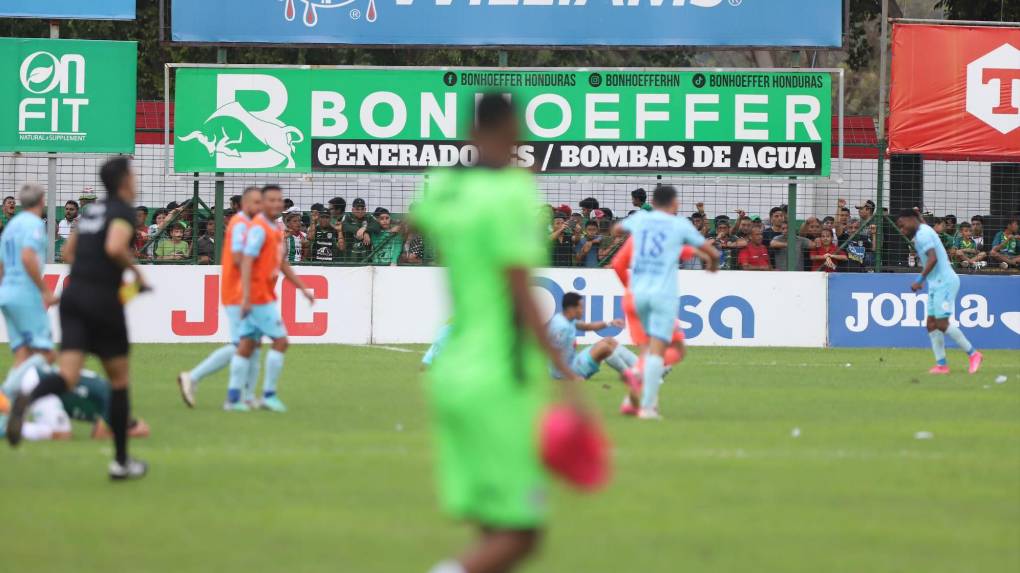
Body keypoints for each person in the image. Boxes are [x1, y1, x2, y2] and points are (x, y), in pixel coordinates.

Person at [417, 93, 585, 573]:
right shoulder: (513, 193)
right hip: (499, 377)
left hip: (451, 375)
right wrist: (566, 372)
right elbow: (518, 289)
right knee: (523, 534)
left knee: (491, 525)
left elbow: (418, 216)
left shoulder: (444, 187)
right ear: (512, 130)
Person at [7, 157, 150, 480]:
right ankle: (121, 462)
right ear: (124, 180)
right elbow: (115, 247)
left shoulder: (90, 213)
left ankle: (28, 399)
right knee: (119, 382)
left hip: (73, 298)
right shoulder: (121, 211)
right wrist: (136, 275)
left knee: (67, 375)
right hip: (103, 300)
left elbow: (69, 253)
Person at [621, 185, 719, 419]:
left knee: (652, 350)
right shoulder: (678, 227)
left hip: (636, 296)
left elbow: (617, 241)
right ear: (674, 204)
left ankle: (636, 391)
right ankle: (647, 405)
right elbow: (706, 252)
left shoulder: (641, 224)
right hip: (662, 296)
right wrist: (711, 263)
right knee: (662, 351)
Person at [226, 185, 314, 413]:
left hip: (262, 294)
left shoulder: (274, 229)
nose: (276, 204)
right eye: (271, 200)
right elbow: (246, 260)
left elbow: (282, 263)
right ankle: (268, 396)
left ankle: (234, 398)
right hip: (257, 297)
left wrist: (303, 288)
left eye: (279, 200)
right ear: (263, 204)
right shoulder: (258, 229)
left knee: (247, 345)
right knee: (280, 341)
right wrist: (245, 296)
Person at [178, 187, 263, 409]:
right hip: (237, 293)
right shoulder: (241, 225)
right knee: (242, 344)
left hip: (245, 291)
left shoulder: (249, 226)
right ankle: (198, 379)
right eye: (253, 202)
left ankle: (246, 395)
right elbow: (238, 259)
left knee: (252, 344)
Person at [896, 210, 983, 375]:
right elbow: (919, 222)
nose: (902, 230)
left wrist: (919, 281)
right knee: (931, 323)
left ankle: (974, 354)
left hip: (945, 282)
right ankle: (942, 365)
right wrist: (918, 215)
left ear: (911, 220)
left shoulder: (922, 234)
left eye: (902, 225)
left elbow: (933, 258)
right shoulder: (922, 229)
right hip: (936, 283)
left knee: (942, 323)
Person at [0, 183, 59, 401]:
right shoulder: (34, 224)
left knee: (23, 354)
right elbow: (27, 256)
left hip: (6, 293)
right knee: (47, 354)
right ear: (43, 200)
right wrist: (45, 291)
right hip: (25, 294)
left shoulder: (12, 226)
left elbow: (1, 265)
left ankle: (7, 414)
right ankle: (5, 394)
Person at [1, 363, 150, 442]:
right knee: (62, 434)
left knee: (9, 407)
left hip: (39, 378)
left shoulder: (109, 393)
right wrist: (132, 434)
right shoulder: (111, 399)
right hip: (42, 384)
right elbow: (99, 434)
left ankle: (10, 421)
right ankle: (5, 427)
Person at [547, 292, 636, 384]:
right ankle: (630, 376)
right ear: (571, 309)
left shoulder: (566, 319)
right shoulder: (561, 327)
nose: (583, 310)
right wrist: (573, 377)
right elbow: (555, 355)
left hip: (573, 362)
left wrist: (610, 323)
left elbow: (587, 326)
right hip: (564, 373)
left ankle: (640, 367)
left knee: (609, 341)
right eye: (580, 307)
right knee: (604, 348)